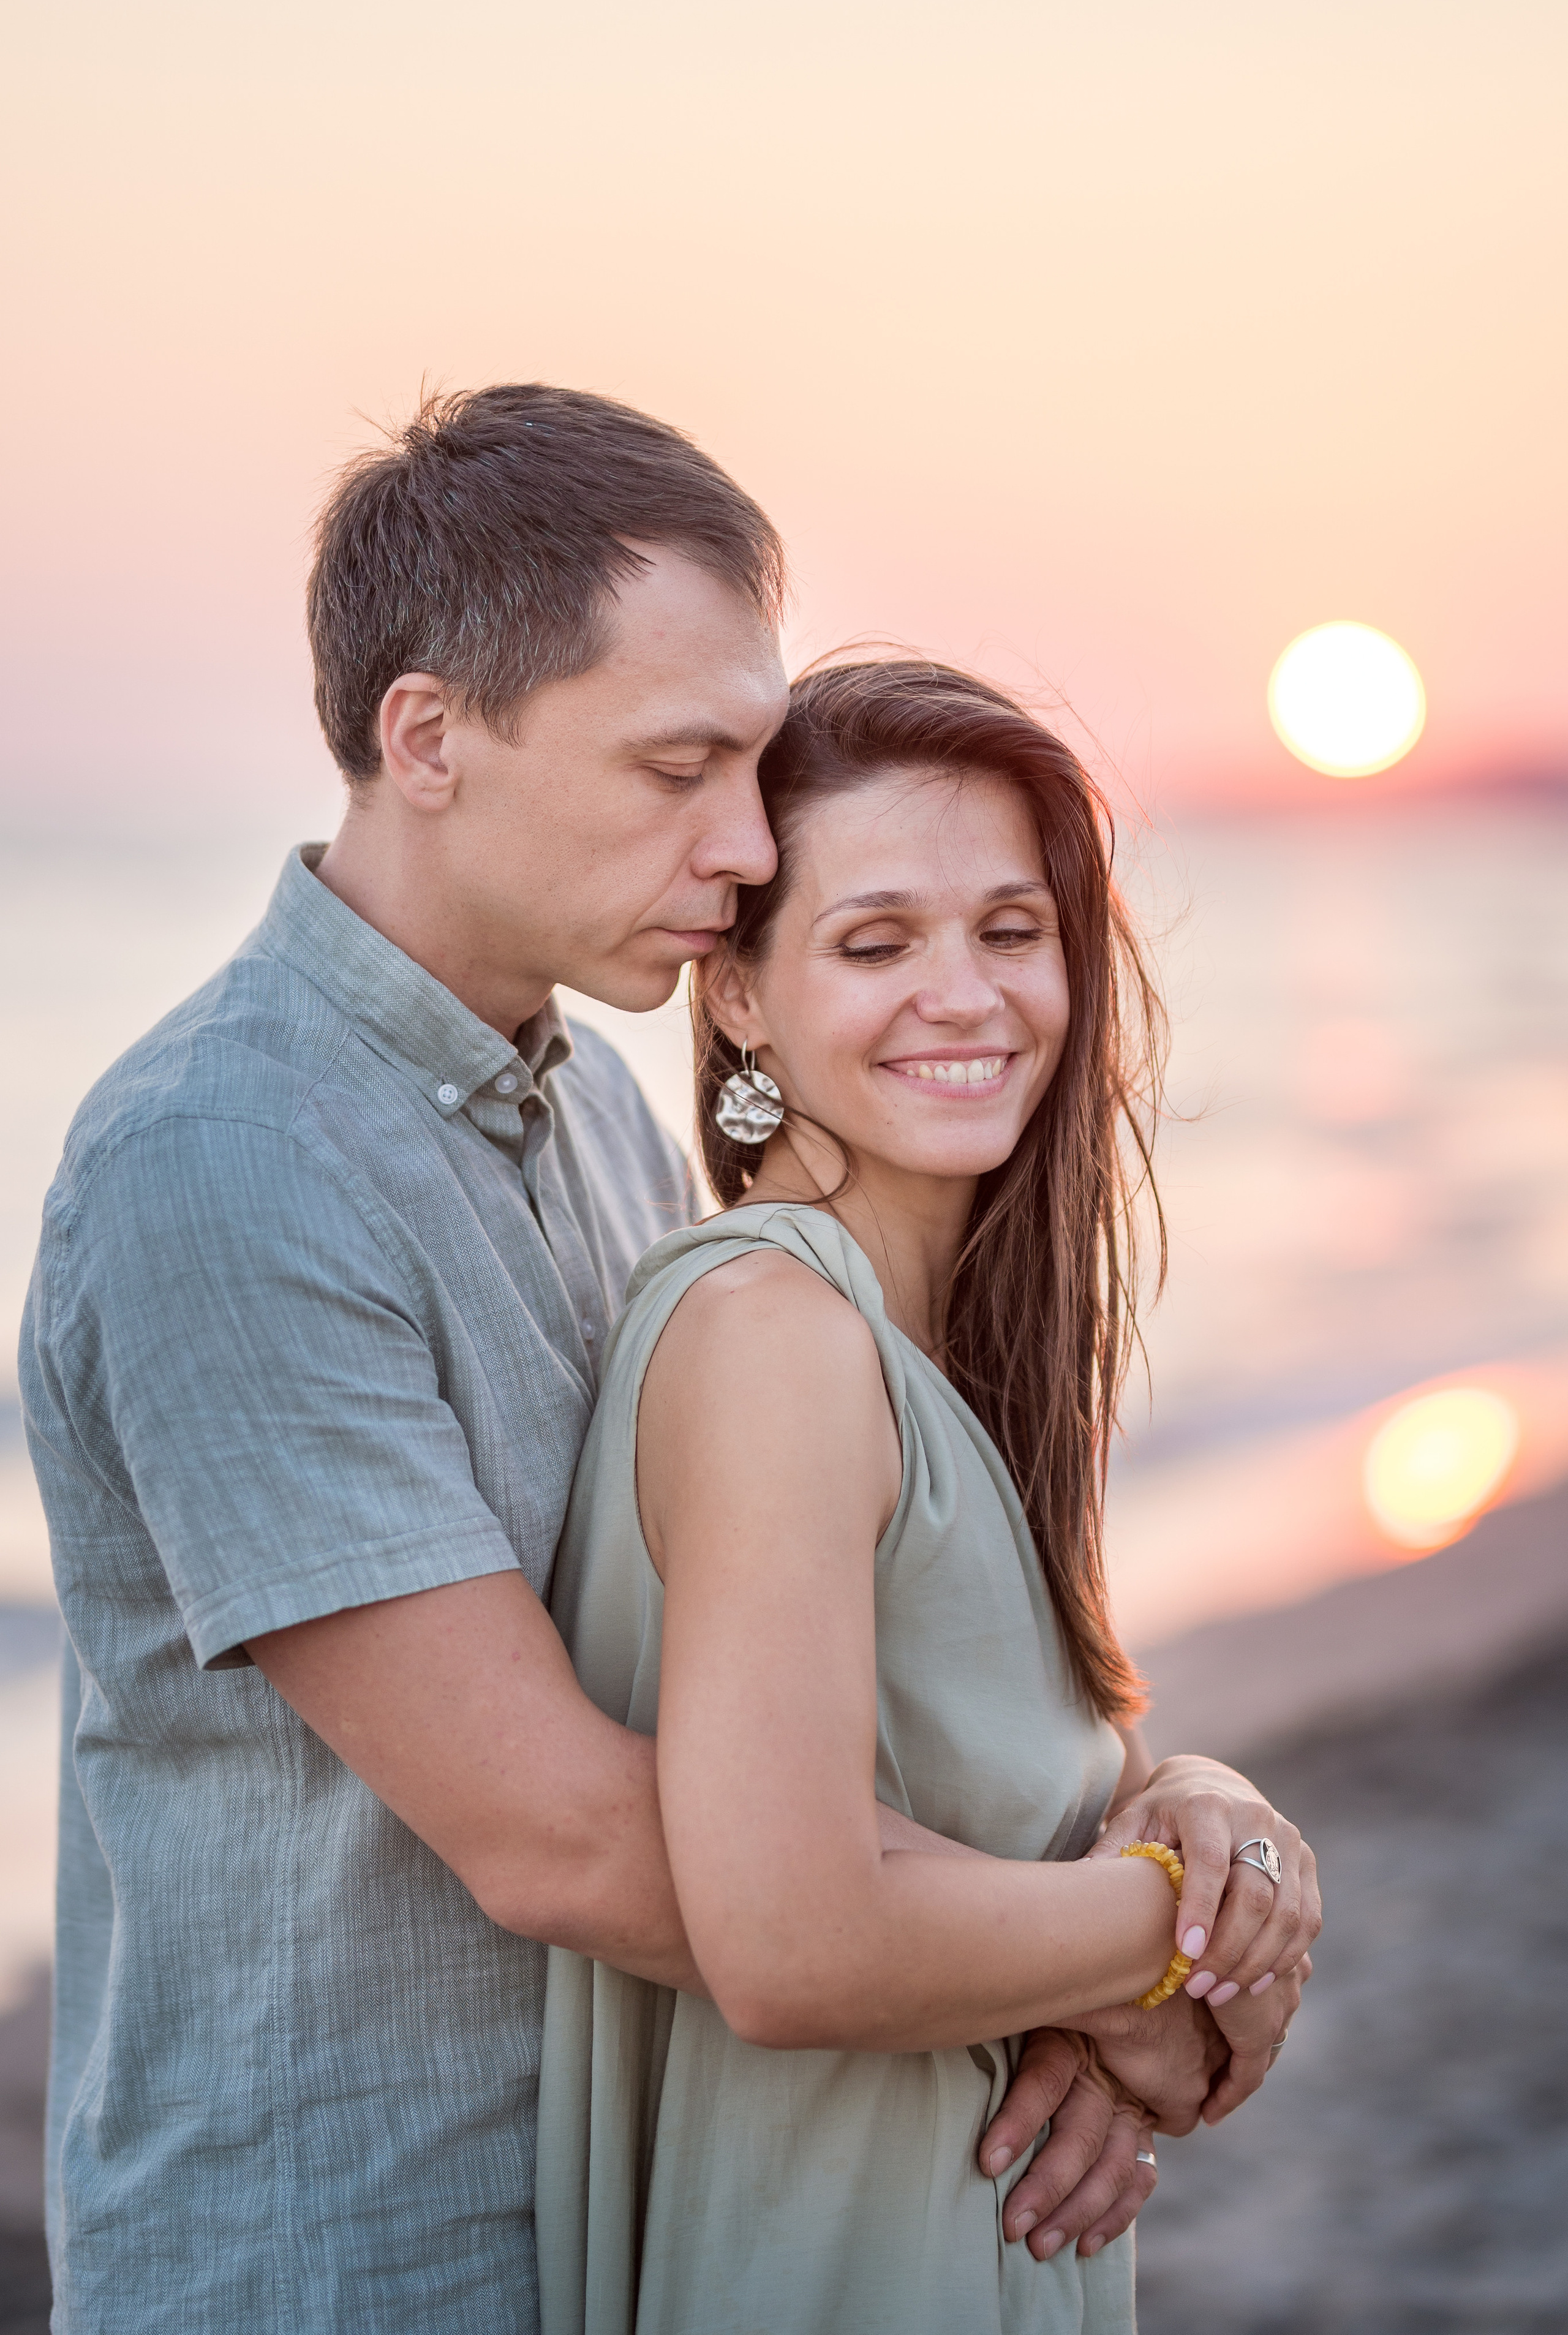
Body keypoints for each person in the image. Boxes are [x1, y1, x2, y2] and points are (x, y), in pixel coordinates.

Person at [17, 387, 1246, 2333]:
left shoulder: (591, 1105)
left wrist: (1167, 1840)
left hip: (639, 2204)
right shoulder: (224, 1167)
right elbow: (570, 1839)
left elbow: (786, 1700)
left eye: (753, 764)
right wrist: (1134, 1969)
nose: (746, 842)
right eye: (681, 767)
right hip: (347, 2256)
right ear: (429, 739)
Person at [537, 659, 1321, 2334]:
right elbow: (795, 1944)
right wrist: (1190, 1943)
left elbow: (1022, 1809)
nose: (963, 996)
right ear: (738, 996)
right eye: (875, 943)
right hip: (831, 2255)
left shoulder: (940, 1348)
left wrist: (1203, 1793)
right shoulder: (774, 1337)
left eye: (1012, 930)